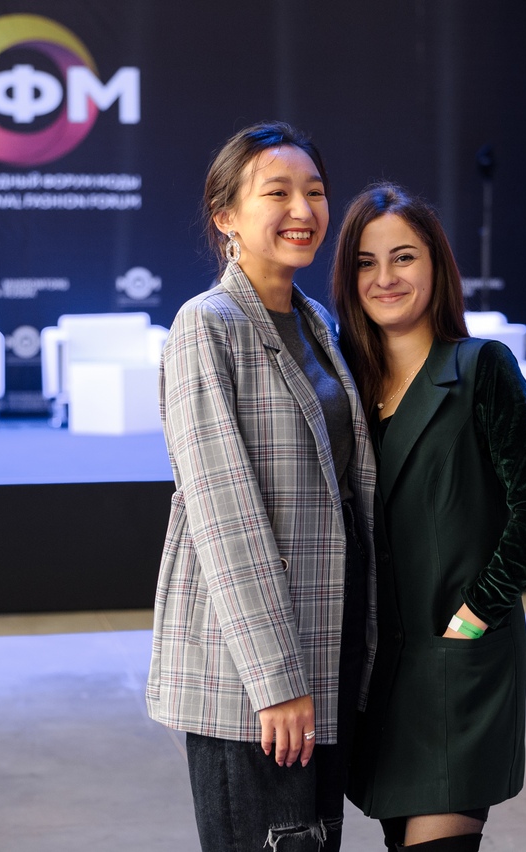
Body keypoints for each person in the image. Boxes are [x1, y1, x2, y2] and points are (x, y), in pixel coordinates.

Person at [146, 122, 377, 852]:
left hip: (328, 645)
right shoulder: (206, 325)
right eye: (277, 193)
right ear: (226, 217)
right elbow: (224, 515)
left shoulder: (317, 324)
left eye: (315, 191)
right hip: (249, 670)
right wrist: (277, 679)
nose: (303, 210)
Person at [330, 183, 526, 851]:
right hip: (379, 673)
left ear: (437, 265)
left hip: (457, 658)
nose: (385, 277)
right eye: (367, 262)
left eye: (403, 257)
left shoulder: (480, 367)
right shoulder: (345, 388)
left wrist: (477, 612)